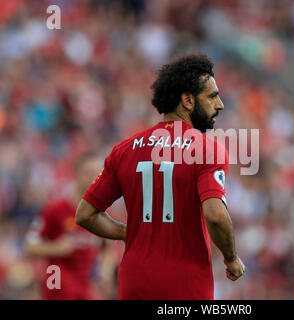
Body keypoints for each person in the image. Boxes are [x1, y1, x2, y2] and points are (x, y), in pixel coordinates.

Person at [75, 53, 245, 300]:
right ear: (187, 100)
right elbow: (216, 216)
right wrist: (232, 259)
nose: (219, 105)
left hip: (134, 283)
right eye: (212, 96)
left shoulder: (124, 149)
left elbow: (85, 214)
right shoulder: (206, 149)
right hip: (185, 286)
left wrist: (132, 231)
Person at [25, 154, 104, 300]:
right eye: (89, 173)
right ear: (76, 174)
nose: (94, 179)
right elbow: (29, 246)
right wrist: (55, 248)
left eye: (98, 174)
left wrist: (103, 270)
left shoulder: (101, 213)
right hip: (57, 279)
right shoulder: (55, 209)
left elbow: (106, 247)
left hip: (84, 283)